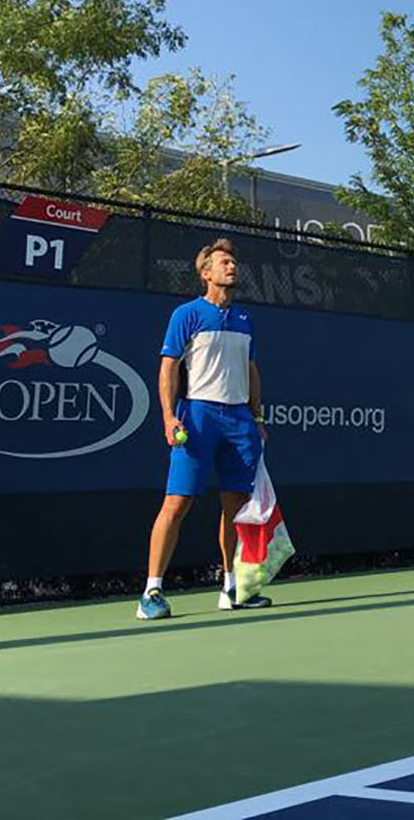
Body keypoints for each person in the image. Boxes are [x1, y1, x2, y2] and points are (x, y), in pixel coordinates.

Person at [136, 238, 272, 619]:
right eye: (224, 263)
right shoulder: (187, 314)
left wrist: (257, 418)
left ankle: (233, 588)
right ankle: (151, 593)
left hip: (240, 422)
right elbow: (168, 368)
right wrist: (168, 416)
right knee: (177, 503)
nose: (232, 267)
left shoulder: (245, 319)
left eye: (233, 263)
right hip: (198, 417)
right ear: (206, 273)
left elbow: (251, 370)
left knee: (238, 508)